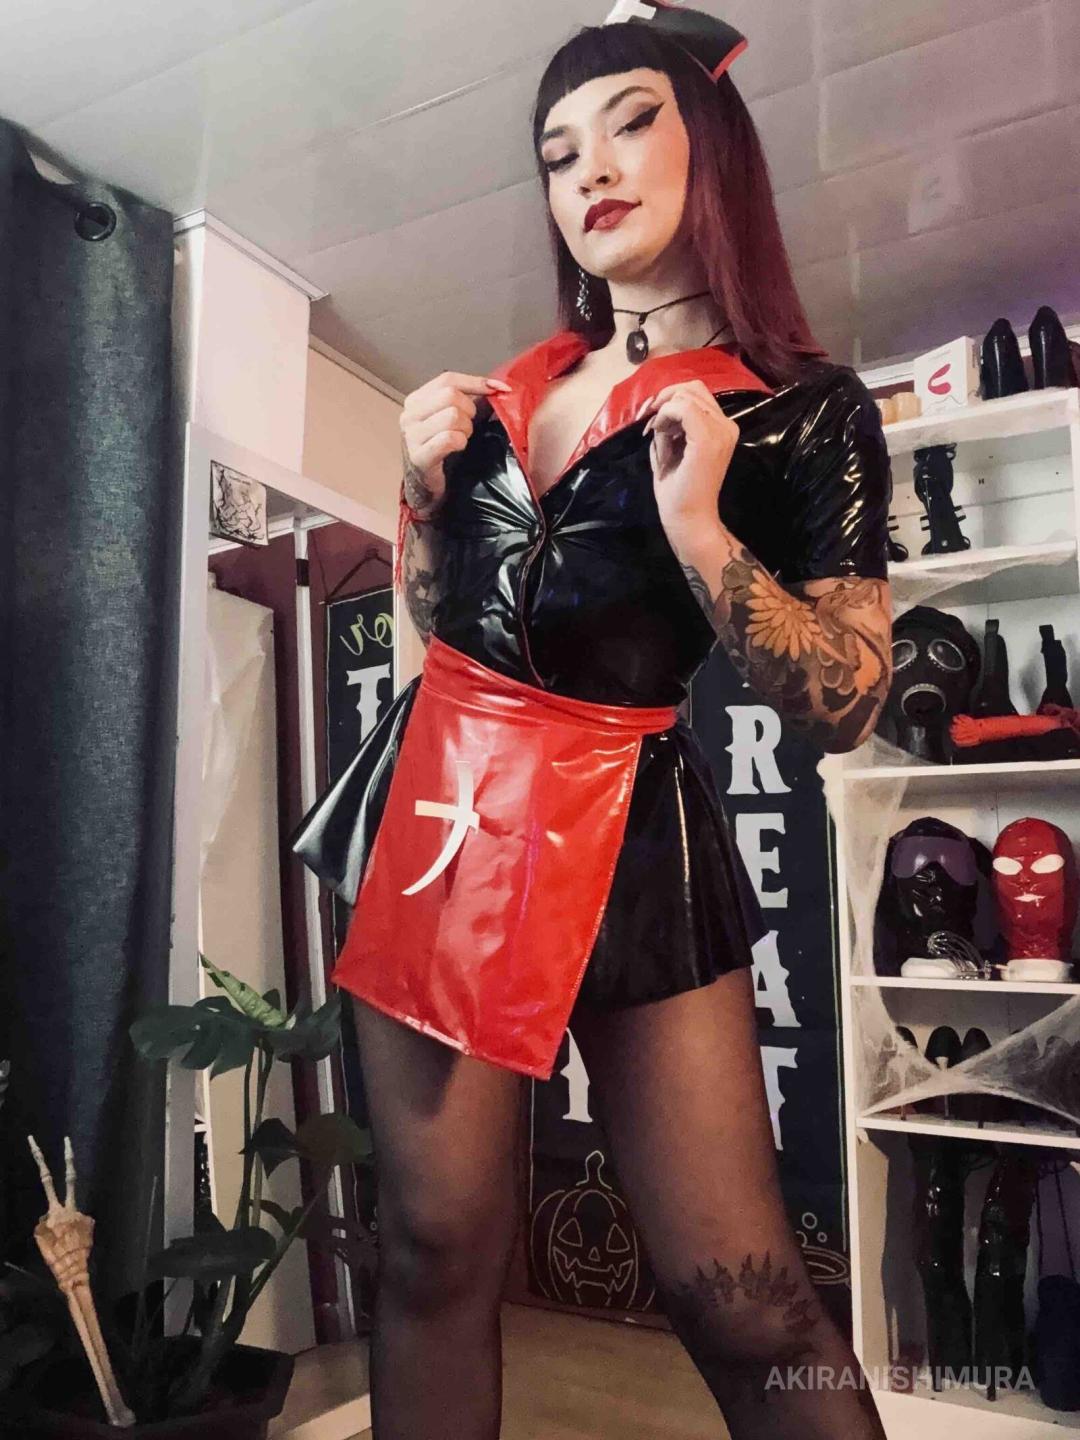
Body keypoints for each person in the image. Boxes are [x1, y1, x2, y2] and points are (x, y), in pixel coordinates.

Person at [293, 7, 892, 1437]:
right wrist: (419, 493)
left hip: (630, 818)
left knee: (745, 1295)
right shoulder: (507, 392)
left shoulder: (805, 411)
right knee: (434, 1250)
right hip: (446, 804)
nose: (592, 172)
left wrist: (703, 529)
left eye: (629, 125)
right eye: (559, 154)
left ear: (712, 146)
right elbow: (443, 623)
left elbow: (851, 699)